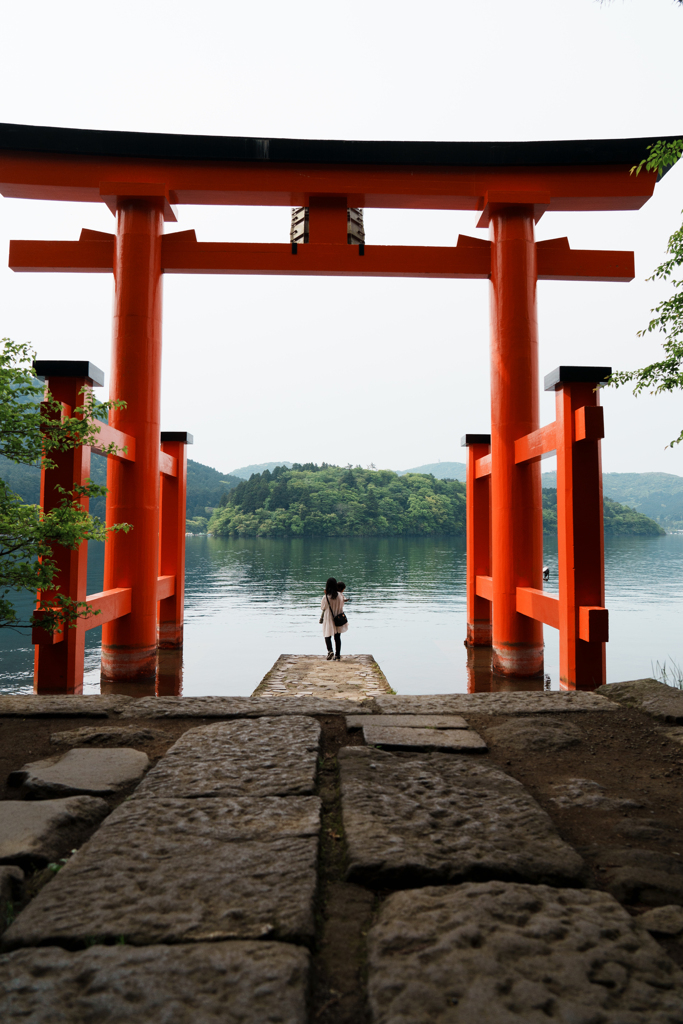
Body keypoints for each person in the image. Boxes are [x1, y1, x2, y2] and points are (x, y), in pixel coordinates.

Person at [320, 576, 348, 661]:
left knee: (327, 635)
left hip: (329, 617)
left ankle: (330, 650)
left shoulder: (326, 597)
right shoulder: (340, 595)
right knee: (337, 636)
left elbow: (323, 607)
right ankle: (338, 655)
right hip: (338, 616)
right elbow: (342, 604)